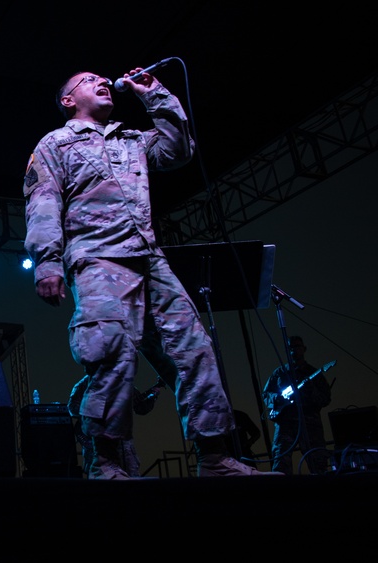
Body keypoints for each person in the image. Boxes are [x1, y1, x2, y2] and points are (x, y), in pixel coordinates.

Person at [22, 66, 282, 478]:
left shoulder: (132, 139)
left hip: (149, 258)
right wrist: (47, 261)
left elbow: (178, 151)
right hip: (98, 258)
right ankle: (105, 462)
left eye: (104, 79)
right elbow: (43, 202)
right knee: (110, 354)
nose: (102, 81)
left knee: (193, 350)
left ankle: (215, 458)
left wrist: (154, 93)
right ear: (68, 100)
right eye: (89, 81)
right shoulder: (55, 143)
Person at [261, 335, 333, 475]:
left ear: (304, 349)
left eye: (297, 347)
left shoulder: (314, 373)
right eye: (290, 347)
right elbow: (266, 394)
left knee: (318, 463)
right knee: (280, 462)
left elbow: (326, 399)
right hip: (285, 424)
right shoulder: (279, 373)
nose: (294, 350)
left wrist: (311, 390)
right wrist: (277, 398)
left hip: (310, 423)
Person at [68, 375, 164, 477]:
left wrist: (154, 393)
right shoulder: (86, 382)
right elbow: (72, 407)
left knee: (131, 476)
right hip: (96, 444)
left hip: (122, 445)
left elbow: (140, 407)